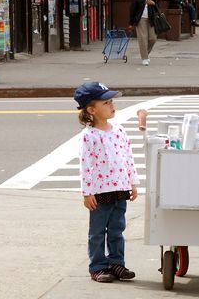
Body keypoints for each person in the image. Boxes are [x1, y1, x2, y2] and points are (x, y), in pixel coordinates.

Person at [74, 81, 139, 283]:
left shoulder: (118, 130)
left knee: (117, 229)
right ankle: (98, 267)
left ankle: (117, 263)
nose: (112, 106)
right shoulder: (89, 136)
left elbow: (128, 156)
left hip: (120, 189)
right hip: (100, 192)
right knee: (97, 232)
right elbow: (86, 166)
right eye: (106, 103)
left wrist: (133, 182)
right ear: (92, 110)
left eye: (111, 102)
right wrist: (87, 193)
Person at [128, 0, 158, 66]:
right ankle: (144, 58)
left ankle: (145, 54)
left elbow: (158, 7)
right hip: (140, 20)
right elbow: (132, 11)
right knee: (143, 39)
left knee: (153, 38)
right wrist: (131, 23)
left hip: (151, 19)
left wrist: (153, 3)